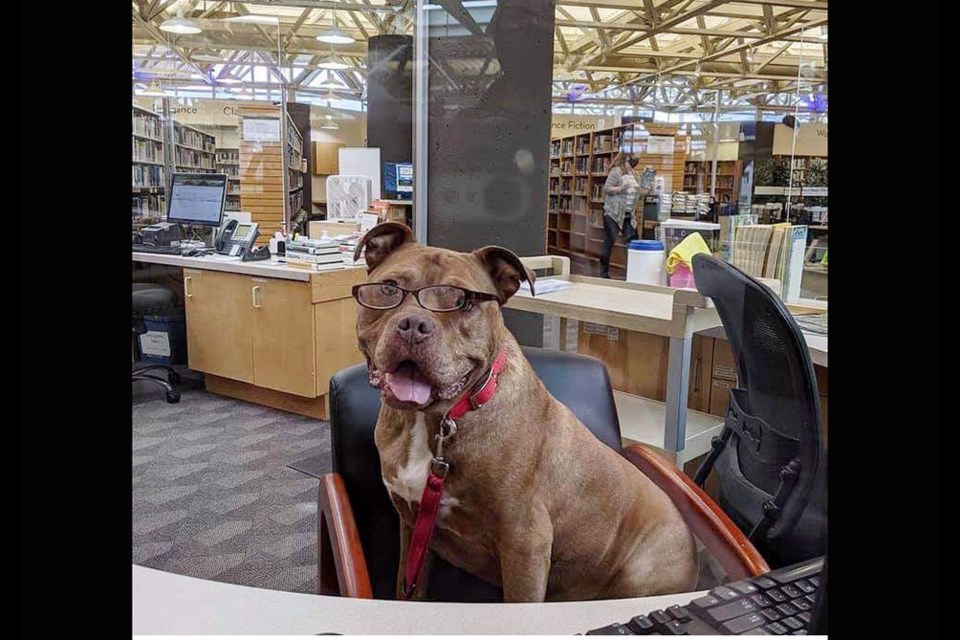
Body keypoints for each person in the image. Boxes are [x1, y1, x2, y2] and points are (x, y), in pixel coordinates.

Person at [600, 153, 639, 278]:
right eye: (630, 164)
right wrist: (621, 188)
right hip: (613, 213)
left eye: (634, 165)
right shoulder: (616, 172)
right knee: (609, 242)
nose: (631, 168)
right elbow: (607, 189)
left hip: (629, 215)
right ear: (625, 161)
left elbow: (639, 193)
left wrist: (647, 188)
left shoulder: (635, 175)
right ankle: (604, 272)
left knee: (634, 242)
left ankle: (633, 273)